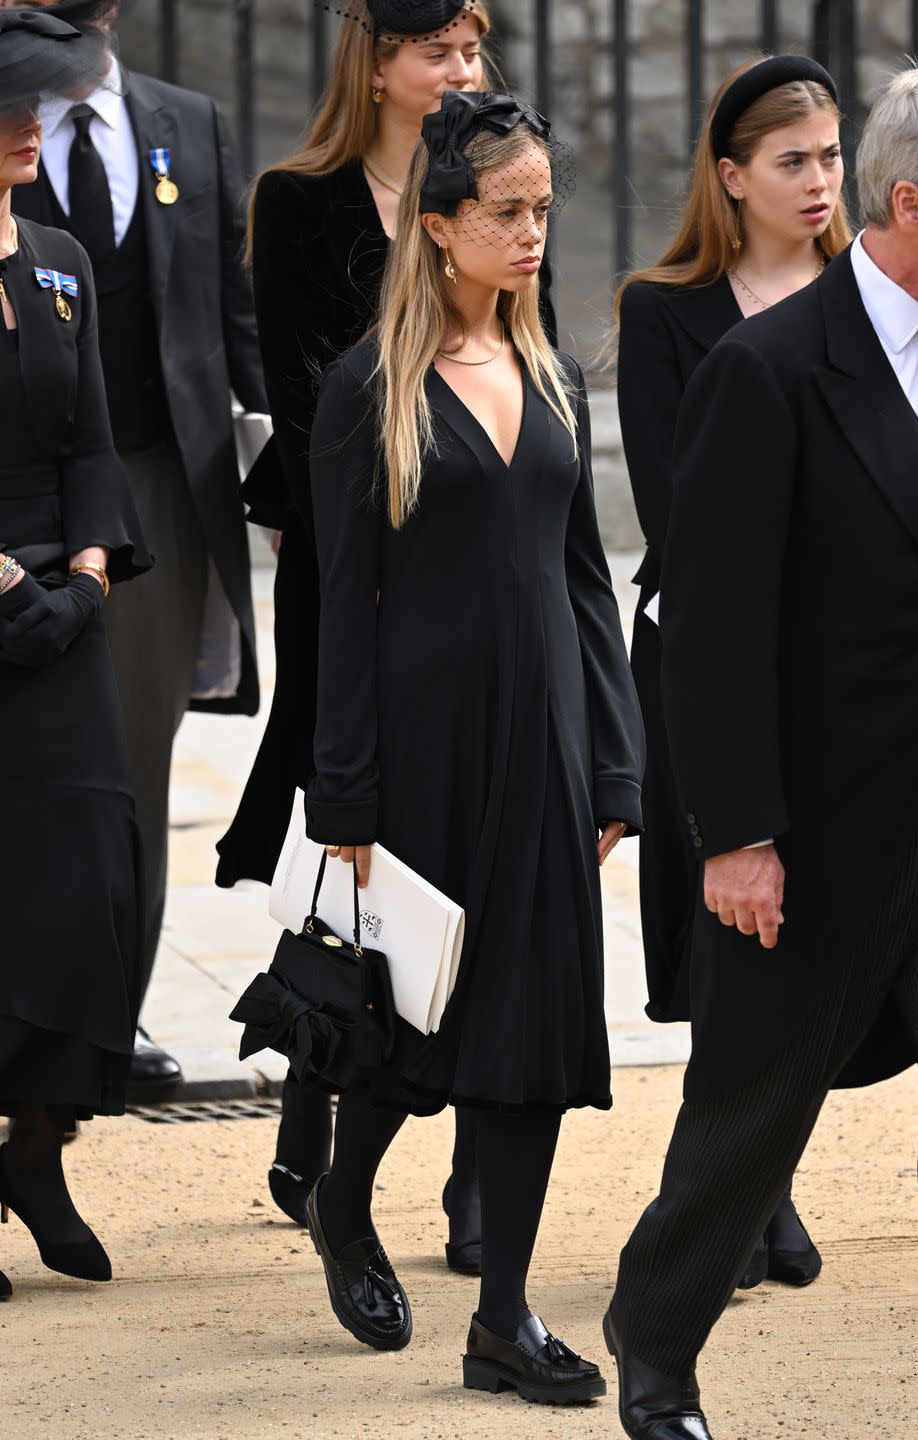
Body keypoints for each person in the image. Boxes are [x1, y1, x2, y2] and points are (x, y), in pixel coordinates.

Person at [604, 61, 918, 1439]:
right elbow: (713, 626)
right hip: (817, 830)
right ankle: (659, 1338)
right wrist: (733, 831)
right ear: (915, 201)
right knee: (749, 1117)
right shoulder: (767, 370)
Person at [300, 87, 643, 1405]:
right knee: (408, 1032)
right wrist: (349, 798)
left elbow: (583, 587)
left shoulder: (544, 365)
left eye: (544, 209)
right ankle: (345, 1189)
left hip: (547, 751)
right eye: (507, 212)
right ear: (439, 227)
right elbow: (340, 614)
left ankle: (502, 1318)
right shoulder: (363, 393)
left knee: (533, 1029)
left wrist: (613, 762)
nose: (533, 232)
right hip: (424, 755)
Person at [216, 0, 555, 1267]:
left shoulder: (509, 202)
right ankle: (319, 1113)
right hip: (351, 561)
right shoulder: (302, 200)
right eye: (438, 51)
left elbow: (536, 368)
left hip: (473, 555)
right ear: (378, 64)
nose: (461, 68)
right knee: (354, 860)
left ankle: (473, 1179)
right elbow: (302, 407)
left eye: (471, 48)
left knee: (475, 874)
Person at [616, 53, 851, 1291]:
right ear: (731, 177)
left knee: (823, 919)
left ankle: (765, 1168)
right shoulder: (668, 310)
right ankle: (747, 1184)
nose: (820, 183)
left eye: (831, 157)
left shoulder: (874, 298)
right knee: (731, 923)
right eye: (792, 162)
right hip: (714, 653)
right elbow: (674, 508)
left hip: (854, 667)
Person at [8, 0, 268, 1099]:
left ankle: (112, 1023)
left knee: (128, 768)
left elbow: (231, 311)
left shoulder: (188, 121)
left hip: (153, 488)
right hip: (22, 474)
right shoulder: (12, 112)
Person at [0, 7, 151, 1301]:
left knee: (94, 885)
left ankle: (37, 1149)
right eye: (8, 110)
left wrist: (89, 573)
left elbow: (93, 441)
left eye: (32, 113)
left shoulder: (56, 260)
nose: (22, 132)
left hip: (64, 616)